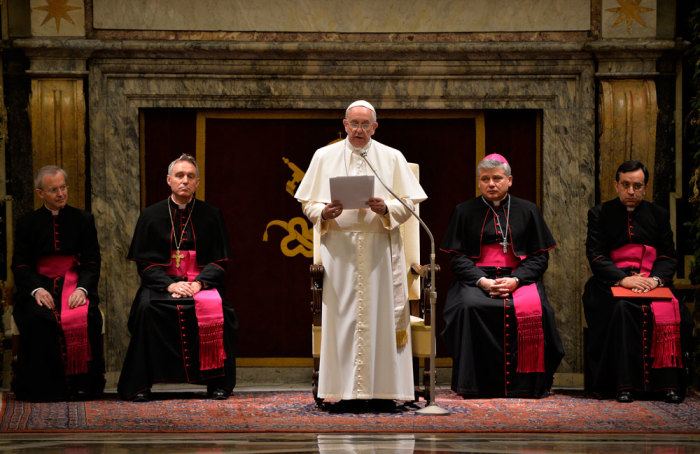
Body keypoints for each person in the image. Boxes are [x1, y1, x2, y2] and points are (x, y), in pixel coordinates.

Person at [295, 100, 427, 411]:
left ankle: (383, 391)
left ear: (375, 127)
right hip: (339, 252)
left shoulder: (392, 157)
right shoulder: (323, 156)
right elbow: (307, 203)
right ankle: (341, 390)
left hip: (380, 249)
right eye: (353, 123)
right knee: (342, 319)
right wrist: (323, 211)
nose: (359, 130)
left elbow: (408, 203)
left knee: (380, 317)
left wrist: (386, 208)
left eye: (365, 124)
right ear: (344, 124)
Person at [440, 154, 564, 398]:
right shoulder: (463, 211)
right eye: (485, 179)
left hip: (519, 277)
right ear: (478, 182)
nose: (491, 184)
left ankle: (528, 385)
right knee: (468, 307)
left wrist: (516, 280)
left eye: (497, 178)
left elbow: (540, 257)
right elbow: (457, 257)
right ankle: (474, 385)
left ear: (509, 180)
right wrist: (482, 282)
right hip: (477, 278)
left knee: (542, 311)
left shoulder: (528, 210)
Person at [118, 154, 238, 401]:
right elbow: (145, 264)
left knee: (223, 311)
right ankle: (140, 384)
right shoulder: (150, 216)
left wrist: (197, 284)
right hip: (164, 284)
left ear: (197, 182)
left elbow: (219, 261)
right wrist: (171, 283)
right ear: (169, 180)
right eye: (180, 176)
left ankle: (218, 384)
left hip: (200, 283)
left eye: (190, 176)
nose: (185, 181)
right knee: (147, 309)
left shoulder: (211, 215)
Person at [583, 160, 691, 404]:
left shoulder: (659, 215)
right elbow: (596, 255)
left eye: (637, 186)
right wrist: (624, 279)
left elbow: (667, 256)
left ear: (646, 188)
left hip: (652, 281)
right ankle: (624, 385)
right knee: (622, 310)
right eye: (626, 185)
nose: (631, 191)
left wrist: (654, 280)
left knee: (677, 314)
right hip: (611, 281)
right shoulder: (599, 213)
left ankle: (669, 385)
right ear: (616, 185)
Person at [11, 166, 104, 401]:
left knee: (88, 315)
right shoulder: (26, 223)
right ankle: (44, 389)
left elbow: (92, 261)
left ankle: (84, 386)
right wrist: (36, 289)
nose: (61, 194)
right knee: (40, 318)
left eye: (63, 188)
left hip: (75, 283)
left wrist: (83, 289)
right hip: (39, 285)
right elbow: (20, 265)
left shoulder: (83, 219)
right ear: (40, 193)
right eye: (54, 190)